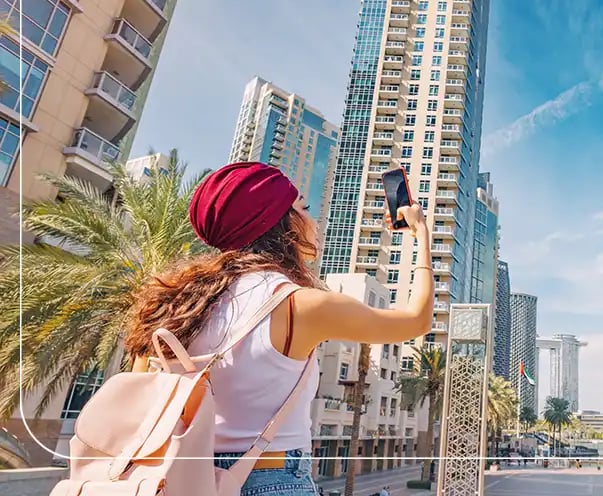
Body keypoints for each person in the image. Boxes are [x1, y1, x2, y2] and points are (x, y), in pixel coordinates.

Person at [124, 163, 433, 496]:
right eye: (304, 207)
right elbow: (416, 320)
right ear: (280, 221)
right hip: (272, 479)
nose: (313, 221)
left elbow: (138, 401)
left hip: (179, 480)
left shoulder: (173, 306)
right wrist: (421, 235)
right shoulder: (300, 304)